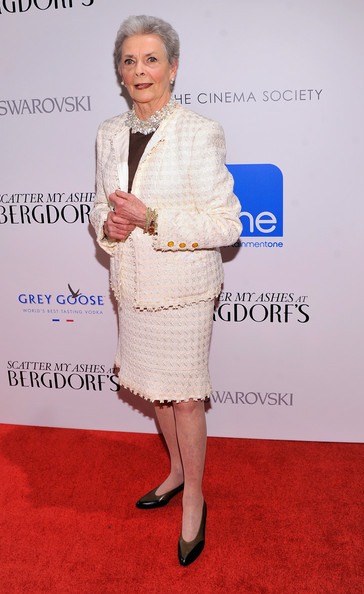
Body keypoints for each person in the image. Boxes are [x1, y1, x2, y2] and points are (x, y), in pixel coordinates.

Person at [90, 15, 242, 566]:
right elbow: (99, 207)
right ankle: (176, 471)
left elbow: (227, 225)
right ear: (120, 72)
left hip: (184, 290)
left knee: (185, 397)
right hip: (132, 286)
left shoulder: (200, 131)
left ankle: (195, 497)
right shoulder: (109, 132)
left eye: (151, 59)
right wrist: (108, 226)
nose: (140, 70)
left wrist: (151, 218)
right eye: (129, 61)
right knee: (156, 391)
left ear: (173, 68)